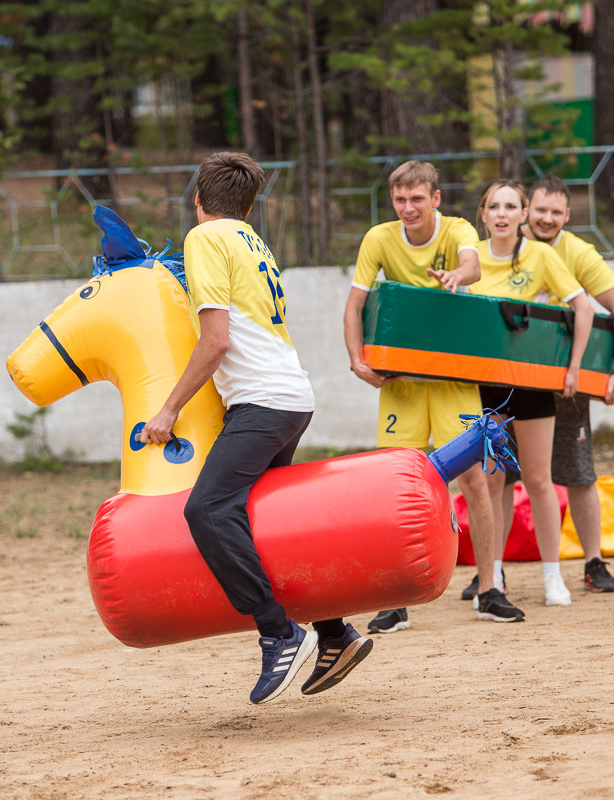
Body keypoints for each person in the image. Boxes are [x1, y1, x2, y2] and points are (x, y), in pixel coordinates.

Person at [139, 152, 372, 705]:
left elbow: (216, 341)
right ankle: (336, 634)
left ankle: (278, 629)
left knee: (207, 509)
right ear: (247, 203)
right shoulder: (250, 240)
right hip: (291, 396)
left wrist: (168, 409)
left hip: (263, 402)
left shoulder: (204, 240)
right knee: (267, 525)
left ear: (197, 200)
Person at [343, 160, 524, 629]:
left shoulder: (458, 228)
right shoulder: (378, 238)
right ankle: (395, 600)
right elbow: (355, 304)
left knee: (475, 483)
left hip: (453, 381)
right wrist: (357, 360)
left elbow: (473, 264)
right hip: (402, 385)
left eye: (417, 199)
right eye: (400, 200)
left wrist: (456, 277)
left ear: (436, 198)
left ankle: (490, 590)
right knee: (392, 489)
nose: (408, 208)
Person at [468, 179, 595, 607]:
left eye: (510, 206)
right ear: (482, 215)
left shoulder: (541, 255)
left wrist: (573, 367)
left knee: (539, 480)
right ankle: (493, 579)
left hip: (534, 382)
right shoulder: (470, 261)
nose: (501, 214)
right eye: (493, 207)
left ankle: (552, 576)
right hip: (485, 387)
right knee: (492, 479)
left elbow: (583, 306)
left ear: (523, 214)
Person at [516, 174, 614, 594]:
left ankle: (593, 562)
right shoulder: (501, 246)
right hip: (507, 383)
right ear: (525, 209)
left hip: (564, 384)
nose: (546, 218)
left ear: (567, 215)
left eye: (556, 212)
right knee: (498, 475)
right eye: (539, 210)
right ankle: (489, 574)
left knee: (580, 474)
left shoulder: (578, 253)